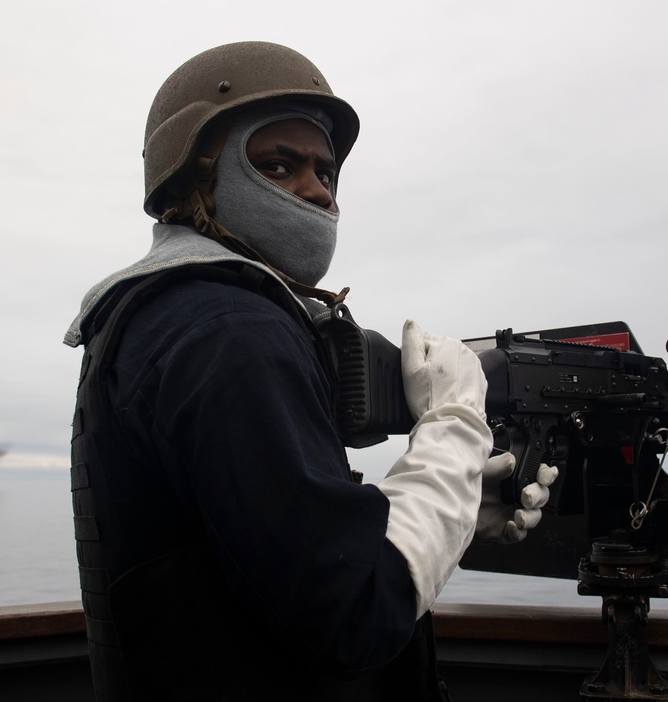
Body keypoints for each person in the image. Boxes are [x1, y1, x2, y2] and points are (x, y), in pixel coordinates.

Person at [64, 41, 557, 701]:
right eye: (278, 164)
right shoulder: (228, 332)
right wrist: (455, 425)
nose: (316, 189)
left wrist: (455, 505)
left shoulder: (168, 314)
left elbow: (264, 550)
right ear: (197, 176)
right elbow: (353, 613)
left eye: (326, 170)